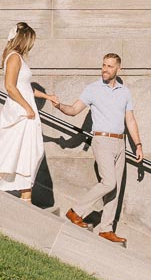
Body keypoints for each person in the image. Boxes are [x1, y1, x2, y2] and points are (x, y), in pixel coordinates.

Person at [56, 52, 143, 245]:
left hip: (120, 142)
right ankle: (76, 211)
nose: (105, 69)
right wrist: (60, 106)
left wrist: (137, 145)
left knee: (116, 188)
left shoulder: (125, 92)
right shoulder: (93, 89)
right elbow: (74, 110)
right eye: (103, 65)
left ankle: (106, 229)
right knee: (109, 182)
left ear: (118, 69)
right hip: (101, 140)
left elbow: (130, 120)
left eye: (110, 66)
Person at [0, 22, 58, 202]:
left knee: (30, 152)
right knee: (17, 151)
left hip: (26, 111)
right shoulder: (14, 58)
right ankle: (17, 193)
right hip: (20, 112)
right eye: (30, 41)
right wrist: (27, 107)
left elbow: (25, 87)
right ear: (24, 39)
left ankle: (26, 196)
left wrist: (47, 96)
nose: (31, 45)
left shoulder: (18, 57)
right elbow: (10, 86)